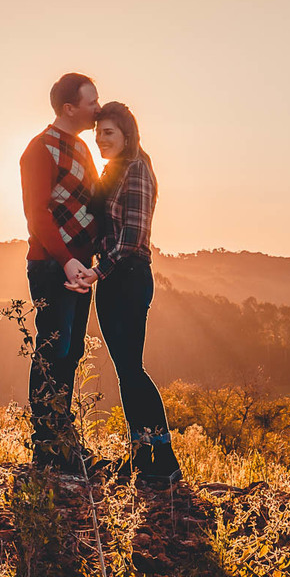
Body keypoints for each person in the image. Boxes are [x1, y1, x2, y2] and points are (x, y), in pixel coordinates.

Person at [68, 101, 181, 483]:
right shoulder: (113, 171)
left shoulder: (137, 170)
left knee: (132, 369)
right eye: (98, 132)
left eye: (109, 132)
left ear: (127, 134)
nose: (101, 139)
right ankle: (142, 455)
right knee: (125, 370)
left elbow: (132, 239)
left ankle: (164, 460)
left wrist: (96, 271)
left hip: (129, 277)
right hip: (112, 278)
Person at [19, 72, 105, 473]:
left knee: (69, 354)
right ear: (69, 108)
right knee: (53, 351)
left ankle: (64, 444)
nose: (97, 108)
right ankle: (47, 447)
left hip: (78, 269)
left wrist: (89, 264)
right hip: (53, 266)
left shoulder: (83, 149)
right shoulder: (40, 149)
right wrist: (67, 259)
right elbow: (37, 214)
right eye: (91, 102)